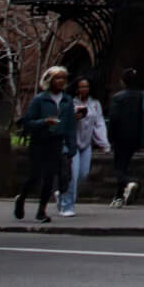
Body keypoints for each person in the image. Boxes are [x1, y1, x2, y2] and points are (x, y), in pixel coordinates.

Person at [15, 66, 68, 224]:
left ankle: (41, 211)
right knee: (35, 176)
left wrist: (71, 143)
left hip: (56, 141)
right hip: (39, 142)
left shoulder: (67, 100)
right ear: (49, 80)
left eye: (63, 78)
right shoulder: (39, 99)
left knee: (50, 177)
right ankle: (21, 197)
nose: (61, 81)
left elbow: (69, 124)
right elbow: (28, 122)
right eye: (57, 78)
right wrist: (45, 122)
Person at [61, 76, 108, 216]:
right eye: (81, 87)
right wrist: (73, 117)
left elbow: (99, 123)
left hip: (86, 144)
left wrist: (104, 143)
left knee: (83, 174)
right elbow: (63, 121)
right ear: (76, 88)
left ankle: (61, 192)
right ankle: (67, 206)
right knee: (73, 175)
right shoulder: (69, 102)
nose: (84, 89)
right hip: (72, 143)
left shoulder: (94, 103)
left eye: (86, 86)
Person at [106, 69, 144, 206]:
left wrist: (110, 137)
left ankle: (131, 182)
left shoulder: (118, 97)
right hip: (135, 136)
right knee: (124, 164)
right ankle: (118, 197)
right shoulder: (142, 96)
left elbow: (114, 118)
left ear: (123, 81)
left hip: (120, 136)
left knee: (118, 168)